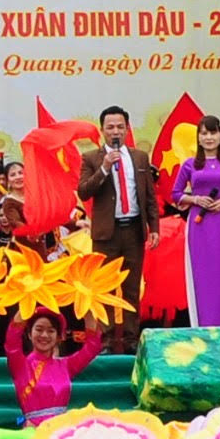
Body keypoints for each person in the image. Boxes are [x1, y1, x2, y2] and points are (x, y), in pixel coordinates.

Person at [78, 107, 158, 339]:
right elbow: (84, 191)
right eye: (110, 127)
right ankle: (106, 339)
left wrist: (154, 227)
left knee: (131, 287)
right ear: (102, 130)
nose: (116, 132)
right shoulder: (91, 158)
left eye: (120, 127)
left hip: (133, 230)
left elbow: (149, 196)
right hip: (106, 234)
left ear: (127, 129)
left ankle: (131, 339)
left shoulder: (139, 157)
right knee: (105, 287)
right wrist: (104, 168)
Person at [168, 116, 220, 328]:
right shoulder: (190, 165)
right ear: (198, 138)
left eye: (213, 133)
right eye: (204, 133)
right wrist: (195, 199)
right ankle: (203, 323)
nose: (209, 137)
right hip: (199, 225)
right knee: (203, 274)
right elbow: (175, 194)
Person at [6, 308, 99, 427]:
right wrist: (27, 303)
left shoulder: (66, 365)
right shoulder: (21, 365)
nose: (44, 335)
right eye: (39, 329)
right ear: (29, 334)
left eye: (51, 331)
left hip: (62, 428)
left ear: (58, 337)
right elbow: (12, 341)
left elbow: (92, 348)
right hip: (33, 429)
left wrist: (87, 310)